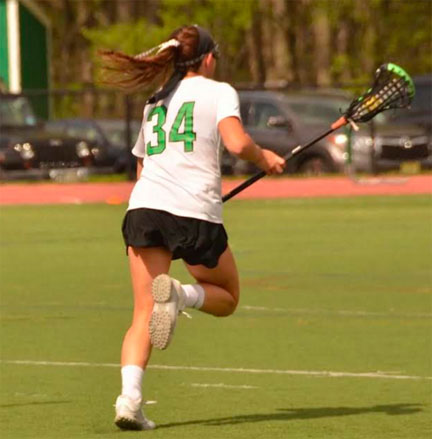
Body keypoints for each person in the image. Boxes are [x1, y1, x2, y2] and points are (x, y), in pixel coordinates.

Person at [100, 24, 285, 431]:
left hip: (145, 209)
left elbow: (143, 165)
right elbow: (237, 143)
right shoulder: (219, 91)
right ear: (207, 58)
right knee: (228, 297)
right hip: (195, 214)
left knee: (143, 312)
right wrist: (265, 158)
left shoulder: (155, 99)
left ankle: (128, 401)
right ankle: (182, 295)